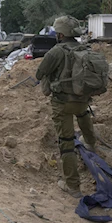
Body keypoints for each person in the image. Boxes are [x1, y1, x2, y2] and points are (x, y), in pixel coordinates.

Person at [35, 15, 96, 199]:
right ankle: (91, 143)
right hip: (82, 99)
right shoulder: (85, 48)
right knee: (83, 114)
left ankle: (73, 186)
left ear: (60, 34)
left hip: (63, 103)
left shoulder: (56, 52)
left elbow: (39, 74)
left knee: (67, 142)